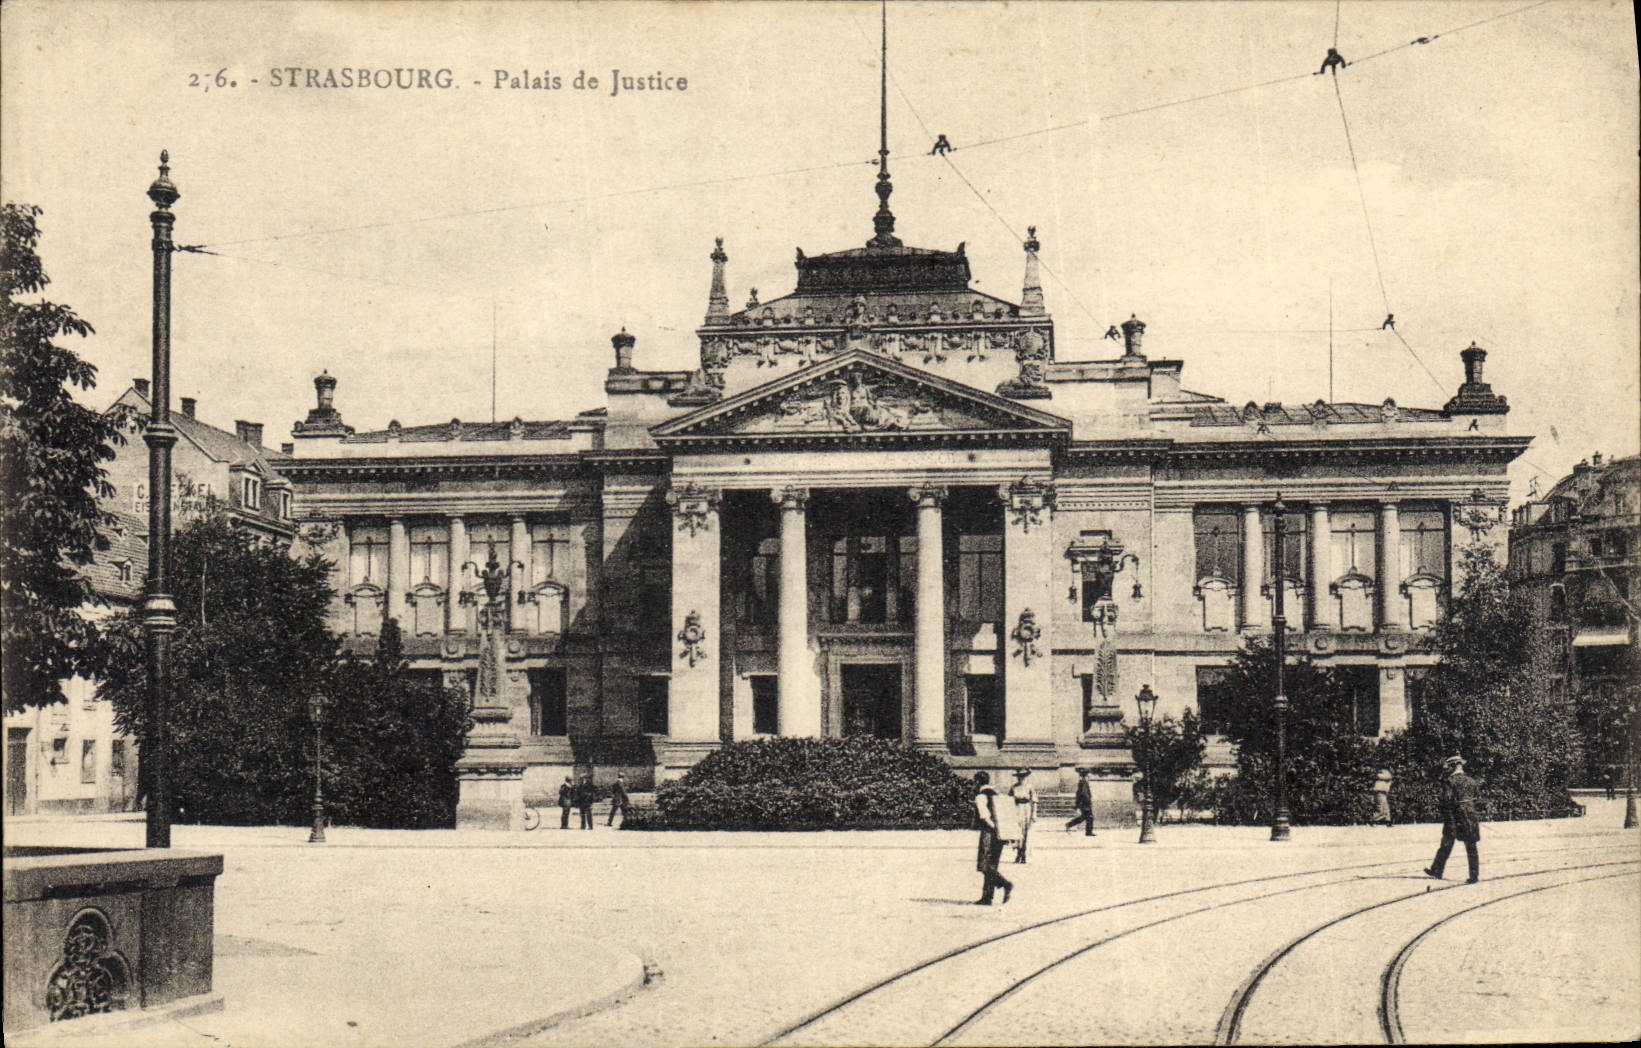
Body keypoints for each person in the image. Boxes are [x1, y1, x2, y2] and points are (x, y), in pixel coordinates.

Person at [1426, 755, 1480, 883]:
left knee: (1446, 843)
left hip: (1454, 815)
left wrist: (1447, 816)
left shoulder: (1450, 781)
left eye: (1449, 767)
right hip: (1470, 815)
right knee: (1471, 846)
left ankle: (1437, 870)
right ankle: (1474, 876)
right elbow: (1478, 799)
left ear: (1453, 766)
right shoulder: (1471, 781)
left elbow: (1446, 800)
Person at [972, 773, 1013, 905]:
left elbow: (984, 816)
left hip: (989, 833)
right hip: (1000, 833)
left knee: (984, 865)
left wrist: (993, 828)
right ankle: (987, 897)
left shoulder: (981, 796)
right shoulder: (997, 794)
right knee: (993, 864)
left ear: (978, 782)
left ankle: (1005, 884)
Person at [1009, 769, 1036, 864]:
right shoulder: (1014, 787)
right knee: (1017, 832)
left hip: (1026, 809)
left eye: (1023, 776)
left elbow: (1034, 800)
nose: (1021, 778)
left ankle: (1023, 854)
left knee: (1025, 832)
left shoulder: (1029, 786)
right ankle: (1018, 853)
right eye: (1019, 776)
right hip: (1017, 809)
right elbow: (1009, 800)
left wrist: (1034, 813)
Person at [1064, 767, 1095, 836]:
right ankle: (1088, 832)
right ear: (1086, 775)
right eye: (1089, 775)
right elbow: (1083, 794)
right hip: (1085, 803)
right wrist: (1087, 801)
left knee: (1084, 817)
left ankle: (1069, 825)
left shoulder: (1083, 782)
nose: (1090, 776)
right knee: (1089, 817)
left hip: (1084, 803)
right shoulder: (1083, 782)